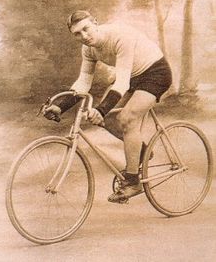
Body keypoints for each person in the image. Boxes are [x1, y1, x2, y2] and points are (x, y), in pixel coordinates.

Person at [44, 10, 172, 203]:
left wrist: (100, 109)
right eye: (77, 34)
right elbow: (83, 82)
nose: (84, 36)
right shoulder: (88, 49)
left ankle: (133, 182)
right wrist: (60, 107)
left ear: (95, 22)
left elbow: (121, 83)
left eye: (86, 29)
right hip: (130, 77)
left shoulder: (119, 36)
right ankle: (142, 152)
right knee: (103, 118)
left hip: (155, 73)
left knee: (126, 119)